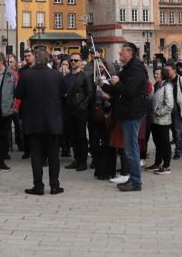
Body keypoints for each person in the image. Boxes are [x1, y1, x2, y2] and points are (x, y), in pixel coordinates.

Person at [97, 43, 148, 192]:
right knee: (129, 148)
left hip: (132, 113)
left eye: (122, 51)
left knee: (131, 149)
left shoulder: (136, 68)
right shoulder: (127, 68)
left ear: (130, 53)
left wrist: (117, 83)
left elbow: (129, 91)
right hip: (126, 113)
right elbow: (118, 89)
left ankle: (136, 181)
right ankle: (133, 179)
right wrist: (104, 85)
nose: (119, 53)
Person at [14, 48, 64, 195]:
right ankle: (54, 185)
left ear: (35, 59)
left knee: (36, 155)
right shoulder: (57, 75)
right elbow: (63, 94)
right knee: (54, 155)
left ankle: (38, 186)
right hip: (53, 121)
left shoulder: (27, 74)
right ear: (48, 59)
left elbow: (18, 95)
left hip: (33, 120)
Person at [62, 52, 93, 172]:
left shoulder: (85, 76)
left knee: (81, 137)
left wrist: (83, 106)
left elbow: (90, 93)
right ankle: (76, 159)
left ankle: (82, 161)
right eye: (72, 60)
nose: (73, 62)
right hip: (69, 110)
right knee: (73, 137)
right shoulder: (67, 77)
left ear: (80, 62)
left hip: (80, 111)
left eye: (76, 60)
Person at [146, 68, 173, 174]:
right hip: (154, 120)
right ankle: (157, 163)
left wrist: (158, 113)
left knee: (165, 143)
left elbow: (169, 104)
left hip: (163, 120)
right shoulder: (157, 85)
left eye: (157, 74)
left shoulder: (167, 87)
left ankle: (166, 166)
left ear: (163, 75)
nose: (155, 75)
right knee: (158, 143)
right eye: (155, 73)